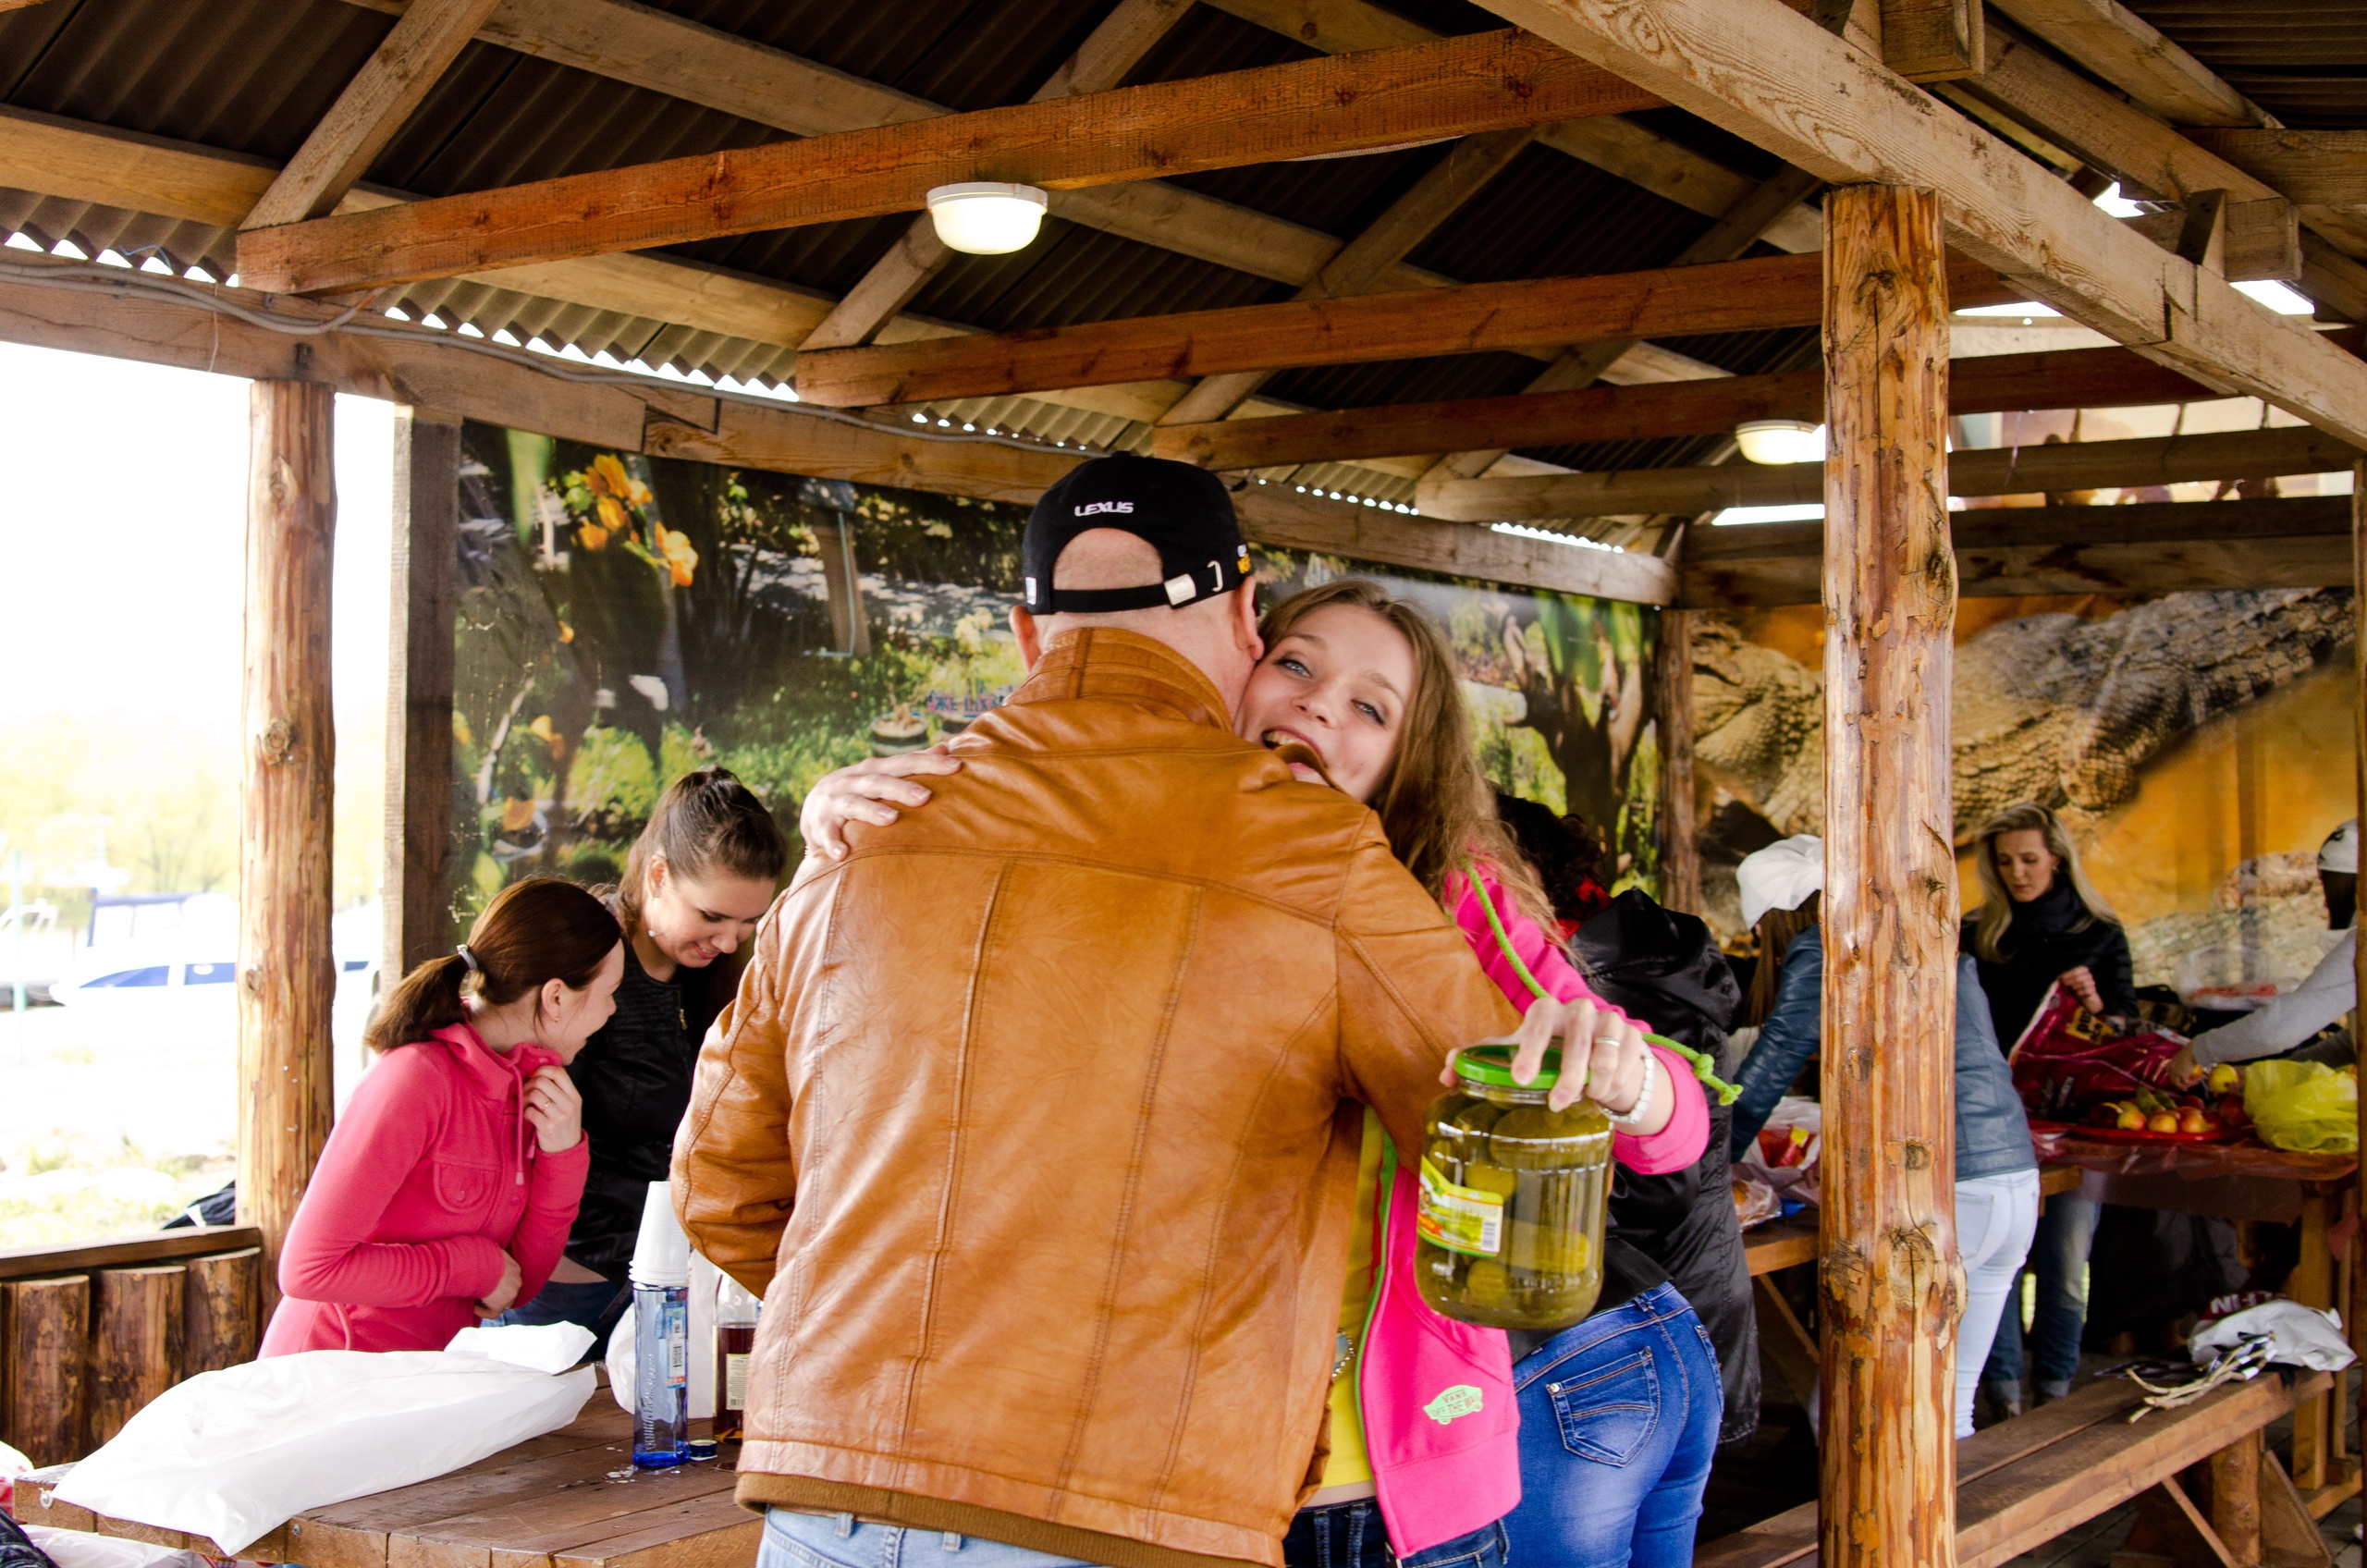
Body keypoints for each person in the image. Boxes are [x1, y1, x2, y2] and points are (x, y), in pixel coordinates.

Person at [672, 455, 1672, 1568]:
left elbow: (721, 1189)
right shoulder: (1314, 853)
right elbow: (1500, 1142)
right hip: (1134, 1517)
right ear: (1246, 614)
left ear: (1023, 630)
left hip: (825, 1498)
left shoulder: (862, 833)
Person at [1725, 836, 2039, 1439]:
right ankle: (1963, 1536)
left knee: (1849, 1413)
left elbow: (1776, 1056)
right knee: (1950, 1409)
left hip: (1953, 1194)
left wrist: (1710, 1153)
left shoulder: (1827, 940)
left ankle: (1867, 1538)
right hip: (2011, 1183)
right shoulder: (1934, 936)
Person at [261, 878, 623, 1356]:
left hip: (420, 1386)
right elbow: (308, 1269)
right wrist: (473, 1266)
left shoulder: (529, 1089)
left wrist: (563, 1154)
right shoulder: (413, 1079)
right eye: (610, 992)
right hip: (328, 1382)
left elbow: (518, 1286)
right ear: (555, 997)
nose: (613, 1009)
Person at [498, 767, 786, 1341]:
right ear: (658, 875)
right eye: (711, 916)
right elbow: (514, 1137)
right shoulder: (581, 959)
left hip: (673, 1284)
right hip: (569, 1289)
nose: (731, 941)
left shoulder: (719, 980)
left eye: (750, 921)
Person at [1964, 802, 2130, 1411]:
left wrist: (2096, 1010)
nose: (2018, 873)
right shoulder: (1977, 934)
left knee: (2063, 1267)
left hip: (2078, 1127)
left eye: (2029, 860)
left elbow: (2123, 1036)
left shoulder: (2100, 934)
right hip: (1994, 1125)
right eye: (2005, 862)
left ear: (2057, 858)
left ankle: (2056, 1392)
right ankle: (2004, 1398)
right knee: (1996, 1265)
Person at [2169, 819, 2359, 1084]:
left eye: (2331, 885)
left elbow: (2283, 1026)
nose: (2327, 900)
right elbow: (2353, 1046)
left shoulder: (2360, 945)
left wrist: (2197, 1051)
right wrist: (2266, 1075)